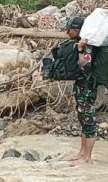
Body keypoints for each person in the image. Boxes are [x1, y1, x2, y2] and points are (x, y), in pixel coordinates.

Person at [42, 17, 99, 166]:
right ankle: (81, 153)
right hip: (81, 86)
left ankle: (87, 158)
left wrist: (80, 49)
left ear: (76, 30)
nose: (68, 32)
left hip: (88, 87)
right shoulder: (79, 43)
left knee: (89, 120)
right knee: (83, 118)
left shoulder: (87, 46)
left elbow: (85, 66)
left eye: (70, 29)